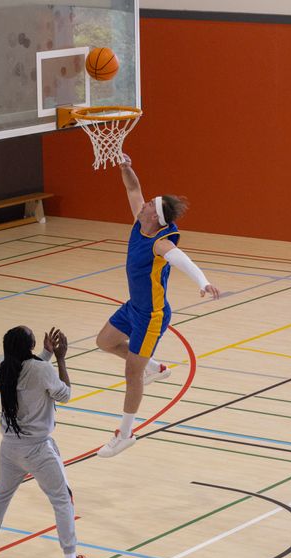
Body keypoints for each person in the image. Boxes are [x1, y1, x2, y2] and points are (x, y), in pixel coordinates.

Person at [95, 154, 220, 458]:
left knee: (131, 372)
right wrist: (126, 167)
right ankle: (155, 367)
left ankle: (125, 434)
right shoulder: (142, 221)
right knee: (105, 342)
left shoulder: (160, 243)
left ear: (157, 217)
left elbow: (183, 260)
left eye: (150, 204)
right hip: (134, 307)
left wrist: (202, 283)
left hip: (152, 315)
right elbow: (133, 188)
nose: (144, 204)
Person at [0, 326, 100, 558]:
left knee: (0, 497)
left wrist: (46, 353)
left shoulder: (3, 365)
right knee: (62, 500)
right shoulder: (42, 370)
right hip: (38, 449)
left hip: (9, 447)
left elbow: (30, 369)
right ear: (28, 346)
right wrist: (61, 358)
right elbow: (64, 394)